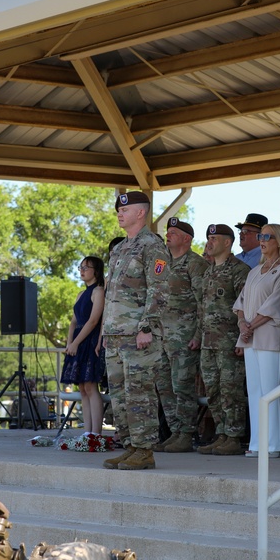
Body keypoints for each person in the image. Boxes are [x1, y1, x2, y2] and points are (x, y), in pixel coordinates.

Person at [101, 191, 170, 471]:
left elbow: (159, 289)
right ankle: (130, 446)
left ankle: (144, 450)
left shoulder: (152, 245)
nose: (119, 213)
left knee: (139, 393)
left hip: (138, 334)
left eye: (125, 210)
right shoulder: (119, 248)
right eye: (118, 209)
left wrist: (147, 327)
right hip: (115, 333)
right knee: (119, 395)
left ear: (141, 213)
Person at [234, 223, 280, 458]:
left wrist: (250, 326)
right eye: (261, 236)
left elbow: (275, 306)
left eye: (268, 236)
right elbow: (240, 304)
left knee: (271, 390)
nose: (263, 239)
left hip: (270, 337)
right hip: (250, 338)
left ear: (279, 241)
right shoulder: (254, 271)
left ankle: (275, 443)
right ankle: (257, 443)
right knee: (255, 390)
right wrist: (242, 325)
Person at [154, 218, 208, 453]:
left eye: (174, 232)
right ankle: (175, 431)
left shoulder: (195, 264)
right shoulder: (162, 263)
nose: (168, 235)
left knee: (182, 386)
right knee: (165, 386)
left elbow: (203, 302)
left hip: (184, 337)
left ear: (187, 238)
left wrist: (198, 334)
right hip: (162, 336)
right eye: (168, 232)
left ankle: (186, 433)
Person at [196, 223, 250, 456]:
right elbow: (203, 308)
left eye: (214, 238)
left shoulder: (239, 271)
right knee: (214, 391)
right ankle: (222, 434)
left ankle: (234, 436)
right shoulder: (208, 271)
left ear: (227, 242)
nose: (209, 242)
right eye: (208, 237)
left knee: (231, 390)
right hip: (208, 342)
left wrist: (241, 339)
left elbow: (245, 307)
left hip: (229, 342)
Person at [61, 257, 106, 437]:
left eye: (86, 267)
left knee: (90, 386)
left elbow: (94, 320)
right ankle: (87, 432)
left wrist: (76, 342)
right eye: (80, 267)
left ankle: (96, 433)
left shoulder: (99, 291)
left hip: (90, 340)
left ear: (96, 271)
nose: (82, 270)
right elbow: (74, 322)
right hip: (77, 342)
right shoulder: (81, 294)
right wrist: (69, 343)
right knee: (81, 387)